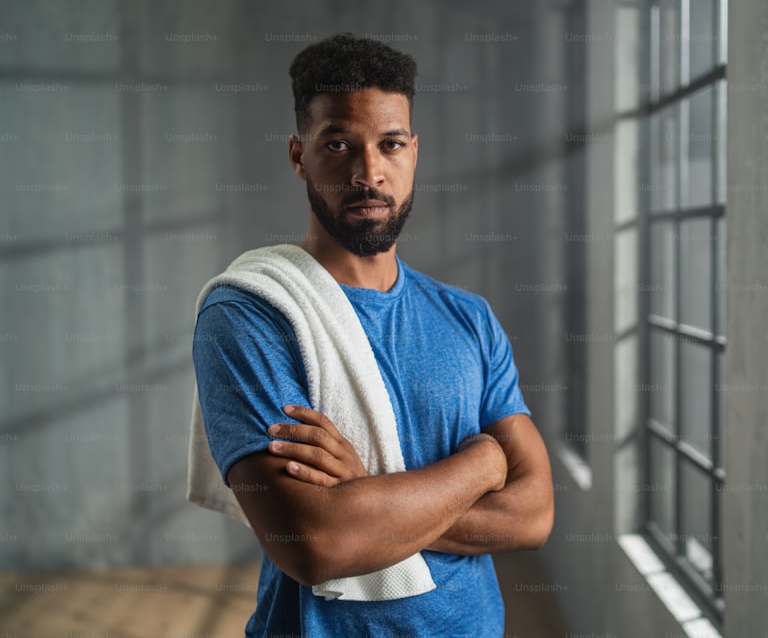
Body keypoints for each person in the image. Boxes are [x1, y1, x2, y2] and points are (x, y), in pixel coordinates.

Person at [191, 32, 554, 637]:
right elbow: (314, 543)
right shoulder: (251, 314)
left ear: (414, 152)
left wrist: (367, 498)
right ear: (297, 155)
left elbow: (534, 514)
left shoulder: (469, 319)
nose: (369, 172)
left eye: (389, 145)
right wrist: (485, 464)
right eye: (337, 144)